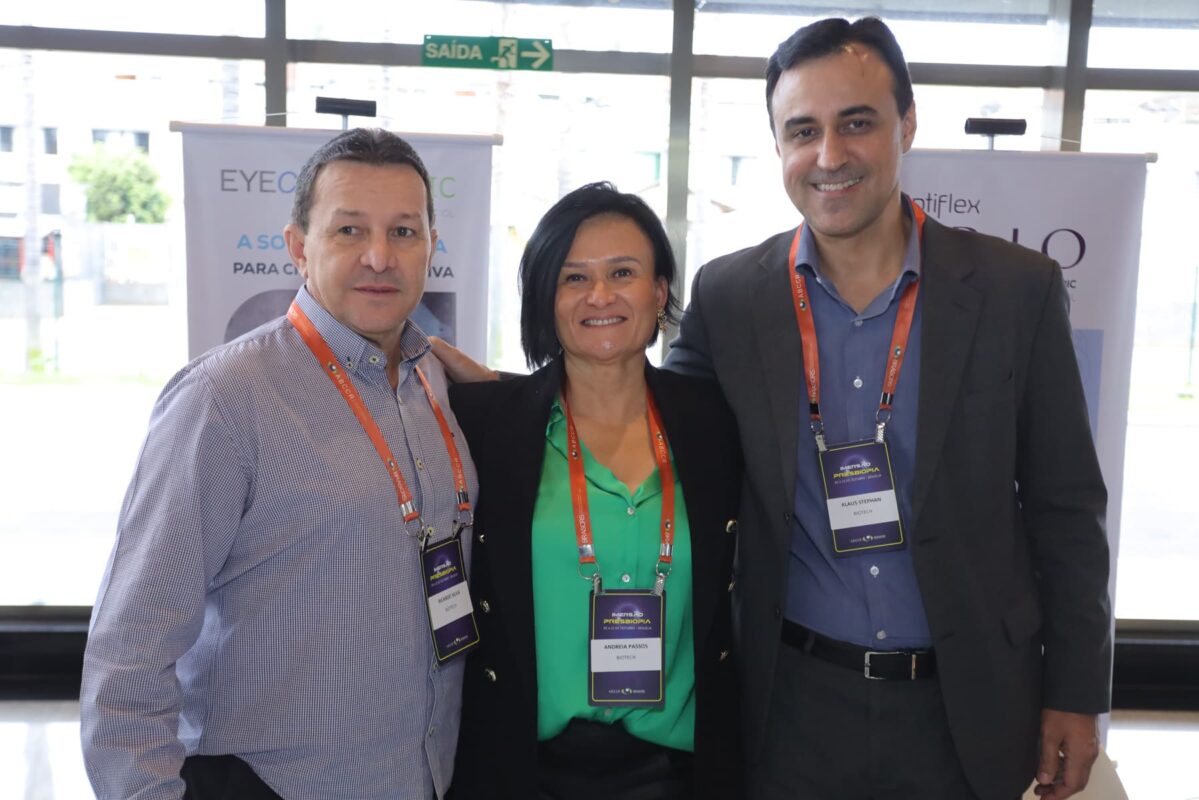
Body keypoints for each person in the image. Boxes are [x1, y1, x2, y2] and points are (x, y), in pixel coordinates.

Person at [663, 17, 1112, 800]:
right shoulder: (730, 298)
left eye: (857, 123)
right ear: (778, 145)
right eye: (803, 131)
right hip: (790, 705)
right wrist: (501, 396)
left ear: (906, 125)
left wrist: (1075, 692)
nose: (829, 156)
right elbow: (649, 427)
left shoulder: (1016, 292)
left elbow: (1066, 508)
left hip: (966, 705)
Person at [80, 128, 478, 800]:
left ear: (431, 247)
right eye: (349, 230)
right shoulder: (223, 397)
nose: (380, 256)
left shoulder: (434, 381)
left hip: (424, 778)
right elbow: (131, 647)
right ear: (298, 247)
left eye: (404, 232)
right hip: (271, 784)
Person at [446, 182, 743, 800]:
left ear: (659, 291)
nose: (600, 295)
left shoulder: (717, 424)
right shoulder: (486, 426)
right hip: (524, 773)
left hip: (682, 775)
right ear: (544, 299)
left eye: (623, 273)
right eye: (574, 278)